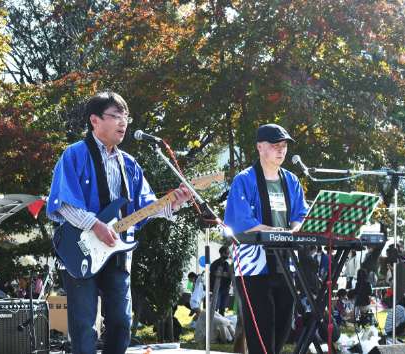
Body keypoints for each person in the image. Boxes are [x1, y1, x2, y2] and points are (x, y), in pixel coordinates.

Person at [46, 91, 191, 354]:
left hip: (117, 251)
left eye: (125, 116)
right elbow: (64, 203)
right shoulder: (74, 155)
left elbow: (146, 207)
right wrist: (95, 225)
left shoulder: (130, 164)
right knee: (83, 325)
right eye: (115, 116)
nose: (123, 122)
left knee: (121, 323)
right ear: (94, 120)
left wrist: (174, 203)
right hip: (81, 249)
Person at [224, 123, 309, 354]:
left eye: (284, 146)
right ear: (260, 147)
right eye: (275, 145)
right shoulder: (244, 180)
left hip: (285, 262)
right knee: (260, 331)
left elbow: (300, 215)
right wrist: (278, 232)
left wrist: (294, 229)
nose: (281, 150)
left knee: (283, 325)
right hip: (253, 265)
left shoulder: (292, 180)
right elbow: (242, 221)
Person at [210, 245, 232, 316]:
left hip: (226, 288)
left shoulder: (227, 264)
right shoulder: (215, 263)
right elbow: (215, 273)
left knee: (222, 308)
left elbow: (229, 274)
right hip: (217, 289)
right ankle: (213, 323)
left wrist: (222, 274)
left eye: (228, 253)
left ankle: (221, 324)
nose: (228, 255)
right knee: (215, 307)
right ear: (222, 253)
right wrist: (224, 274)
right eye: (227, 253)